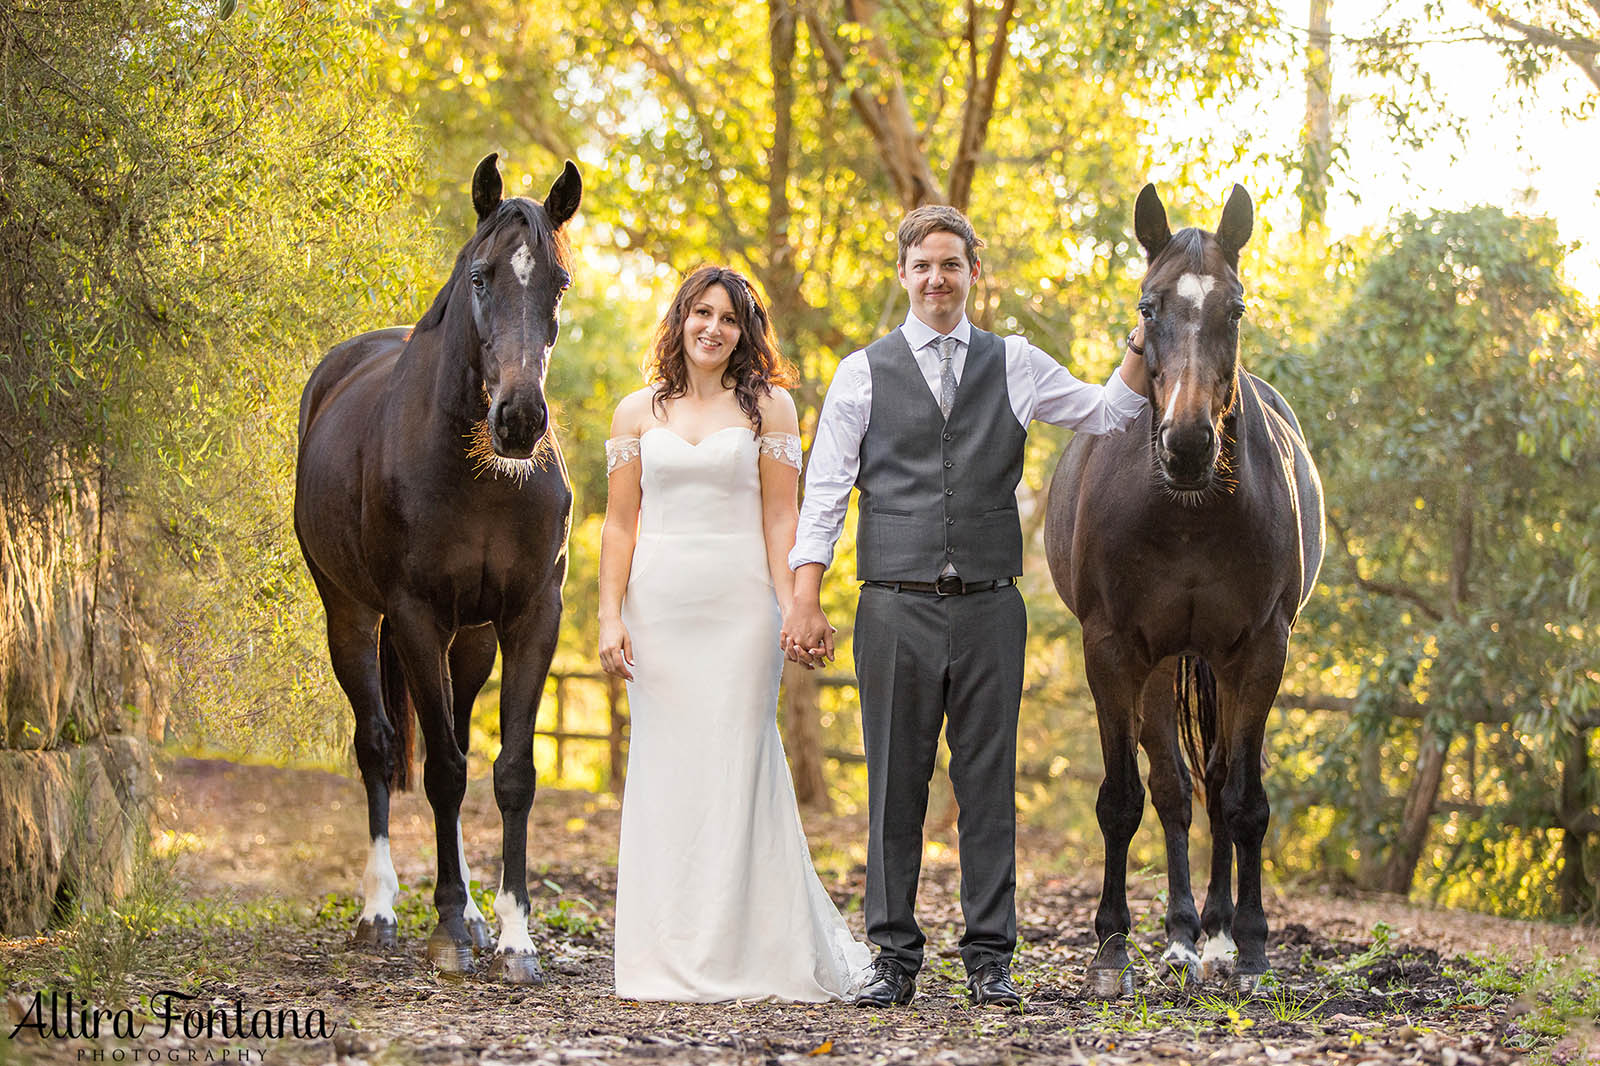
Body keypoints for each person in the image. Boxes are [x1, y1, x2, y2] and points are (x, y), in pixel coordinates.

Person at [780, 206, 1152, 1009]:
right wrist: (805, 597)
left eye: (952, 264)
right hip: (893, 607)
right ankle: (893, 958)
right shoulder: (862, 372)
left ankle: (991, 960)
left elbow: (1109, 413)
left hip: (989, 607)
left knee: (987, 784)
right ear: (905, 276)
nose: (937, 279)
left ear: (973, 273)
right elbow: (825, 495)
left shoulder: (1014, 362)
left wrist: (1141, 338)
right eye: (923, 266)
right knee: (893, 788)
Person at [597, 265, 872, 1002]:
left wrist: (793, 607)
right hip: (659, 613)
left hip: (741, 610)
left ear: (745, 333)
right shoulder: (635, 413)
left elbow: (781, 518)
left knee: (738, 767)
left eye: (727, 318)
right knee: (665, 774)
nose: (712, 328)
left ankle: (750, 952)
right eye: (701, 313)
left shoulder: (771, 410)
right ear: (680, 320)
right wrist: (608, 615)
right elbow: (620, 524)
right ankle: (664, 956)